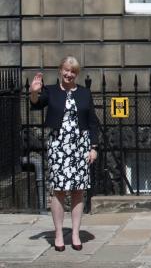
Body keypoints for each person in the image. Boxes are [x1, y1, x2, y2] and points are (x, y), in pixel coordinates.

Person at [29, 56, 100, 252]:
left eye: (73, 71)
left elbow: (92, 121)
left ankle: (76, 233)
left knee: (78, 190)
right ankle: (59, 234)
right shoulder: (50, 91)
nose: (69, 74)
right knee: (59, 191)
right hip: (58, 145)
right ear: (60, 70)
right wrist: (34, 92)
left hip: (80, 145)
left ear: (77, 74)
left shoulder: (85, 93)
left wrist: (93, 147)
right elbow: (36, 103)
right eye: (66, 70)